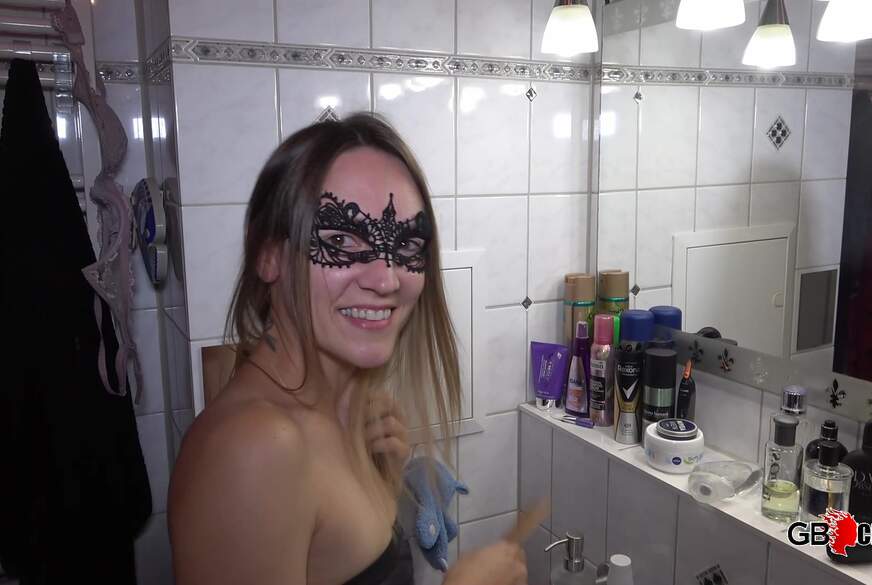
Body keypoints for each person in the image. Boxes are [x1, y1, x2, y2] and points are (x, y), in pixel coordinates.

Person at [168, 113, 529, 585]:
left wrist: (385, 474)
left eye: (407, 245)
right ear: (269, 255)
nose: (386, 279)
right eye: (340, 239)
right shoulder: (254, 450)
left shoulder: (351, 415)